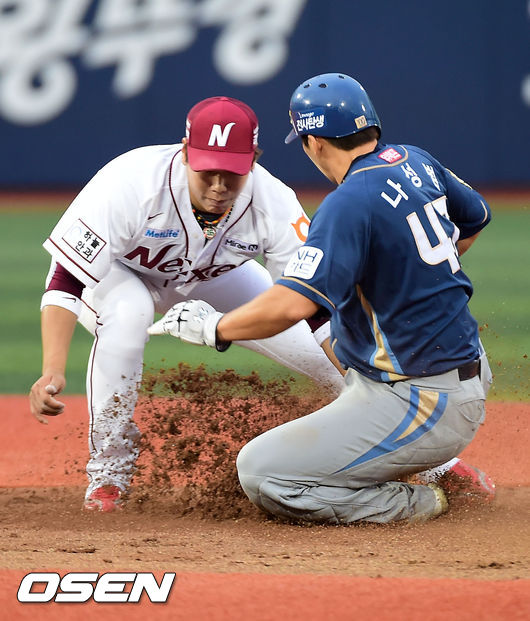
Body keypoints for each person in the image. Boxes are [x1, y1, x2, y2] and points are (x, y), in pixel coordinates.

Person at [148, 73, 495, 524]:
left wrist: (214, 327)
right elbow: (474, 216)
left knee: (264, 473)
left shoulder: (349, 202)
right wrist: (413, 272)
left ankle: (425, 502)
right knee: (350, 350)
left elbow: (293, 305)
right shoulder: (416, 160)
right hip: (463, 372)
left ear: (313, 142)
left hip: (423, 401)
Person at [29, 95, 346, 512]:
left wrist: (350, 368)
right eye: (207, 170)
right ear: (184, 153)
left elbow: (313, 304)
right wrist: (52, 369)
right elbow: (66, 279)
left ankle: (408, 453)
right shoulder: (131, 183)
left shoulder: (273, 202)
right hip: (119, 274)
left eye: (231, 172)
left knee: (326, 358)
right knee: (128, 314)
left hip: (212, 278)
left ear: (253, 159)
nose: (219, 185)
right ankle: (109, 473)